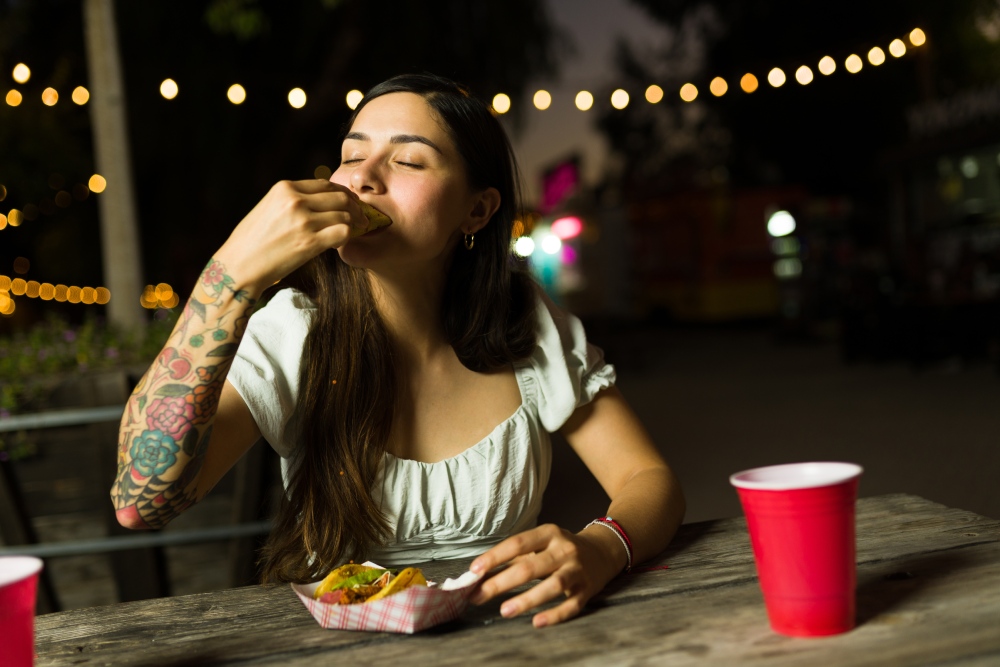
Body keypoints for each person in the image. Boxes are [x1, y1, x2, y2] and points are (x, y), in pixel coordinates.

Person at [112, 73, 685, 628]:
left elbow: (648, 476)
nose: (362, 179)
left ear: (477, 211)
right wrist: (227, 280)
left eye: (407, 160)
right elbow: (140, 503)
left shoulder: (522, 319)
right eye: (351, 156)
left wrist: (601, 549)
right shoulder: (293, 331)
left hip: (517, 638)